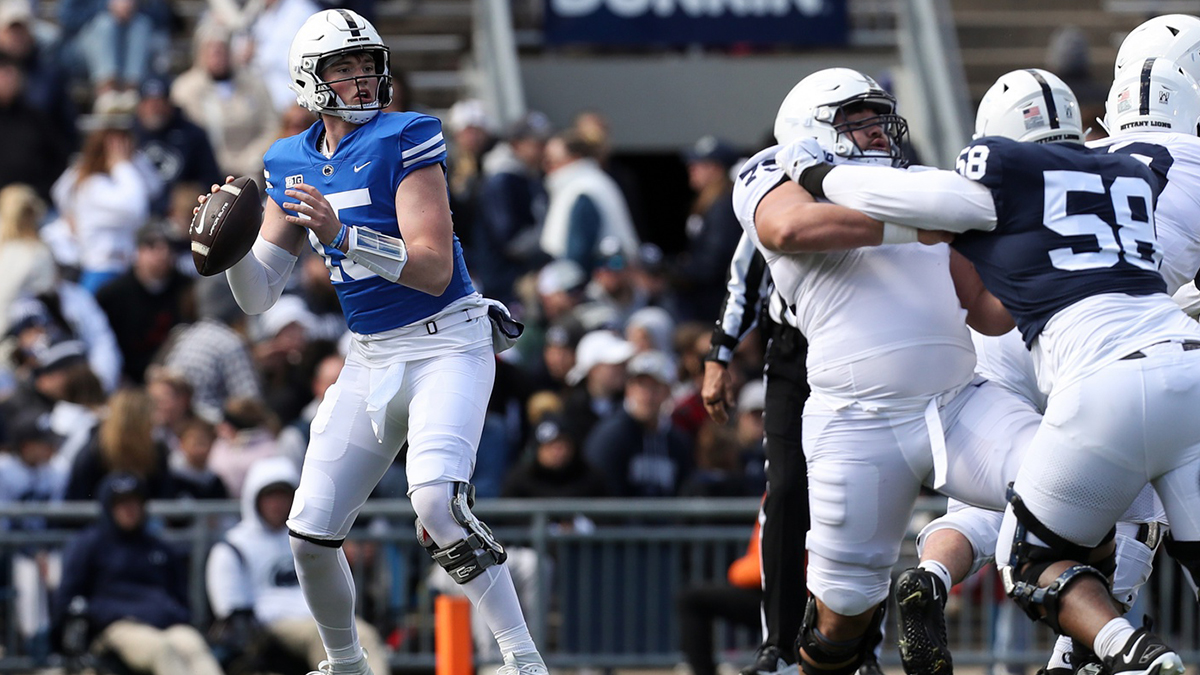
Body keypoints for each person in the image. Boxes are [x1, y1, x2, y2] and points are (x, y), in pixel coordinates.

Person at [780, 67, 1200, 675]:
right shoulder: (1126, 172)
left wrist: (818, 173)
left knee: (1030, 555)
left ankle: (1121, 651)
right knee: (1128, 518)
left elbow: (924, 209)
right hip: (1183, 356)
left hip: (1099, 380)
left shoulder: (1002, 176)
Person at [196, 9, 547, 675]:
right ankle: (346, 662)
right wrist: (228, 250)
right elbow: (259, 294)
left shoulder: (407, 136)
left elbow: (434, 266)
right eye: (344, 68)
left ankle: (523, 659)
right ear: (311, 80)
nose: (361, 79)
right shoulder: (288, 158)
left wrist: (342, 235)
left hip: (447, 342)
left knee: (437, 503)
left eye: (367, 66)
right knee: (308, 533)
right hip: (371, 355)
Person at [729, 67, 1047, 675]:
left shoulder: (915, 183)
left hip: (959, 403)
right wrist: (916, 222)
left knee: (1072, 482)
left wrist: (1055, 277)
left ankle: (1099, 647)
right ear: (810, 127)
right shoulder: (775, 169)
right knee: (843, 612)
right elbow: (787, 227)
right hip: (856, 420)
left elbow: (986, 313)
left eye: (879, 117)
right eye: (857, 117)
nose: (877, 130)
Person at [702, 230, 811, 675]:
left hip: (865, 353)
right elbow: (744, 279)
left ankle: (863, 645)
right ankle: (779, 645)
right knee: (785, 491)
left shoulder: (889, 172)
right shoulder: (775, 173)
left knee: (863, 492)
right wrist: (718, 355)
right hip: (794, 347)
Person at [206, 456, 389, 675]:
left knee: (363, 632)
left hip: (318, 615)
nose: (277, 504)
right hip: (271, 626)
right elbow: (230, 610)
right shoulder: (233, 547)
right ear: (253, 499)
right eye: (269, 497)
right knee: (323, 636)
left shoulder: (309, 537)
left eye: (283, 496)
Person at [51, 472, 223, 675]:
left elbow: (180, 595)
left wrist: (173, 613)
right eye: (121, 504)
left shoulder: (158, 547)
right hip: (116, 627)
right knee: (162, 650)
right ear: (109, 507)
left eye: (134, 503)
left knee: (194, 646)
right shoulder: (88, 545)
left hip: (166, 623)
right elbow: (68, 597)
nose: (129, 510)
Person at [541, 129, 640, 274]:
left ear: (574, 158)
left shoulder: (584, 188)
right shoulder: (594, 180)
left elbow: (580, 247)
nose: (546, 166)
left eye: (552, 160)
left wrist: (571, 281)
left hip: (599, 279)